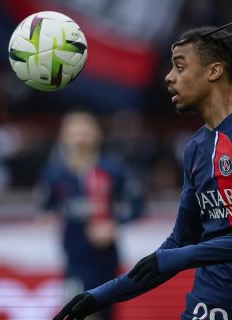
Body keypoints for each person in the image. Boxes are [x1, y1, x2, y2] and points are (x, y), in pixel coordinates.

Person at [53, 14, 232, 320]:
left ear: (214, 71)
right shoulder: (196, 148)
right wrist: (98, 296)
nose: (168, 77)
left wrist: (181, 258)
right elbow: (179, 241)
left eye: (179, 66)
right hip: (209, 306)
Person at [38, 111, 144, 320]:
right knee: (79, 311)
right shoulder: (54, 174)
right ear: (63, 137)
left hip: (106, 257)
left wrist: (113, 224)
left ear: (98, 135)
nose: (80, 139)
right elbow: (45, 207)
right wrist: (48, 219)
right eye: (74, 133)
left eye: (85, 132)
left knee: (105, 313)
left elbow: (137, 205)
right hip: (74, 257)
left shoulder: (114, 170)